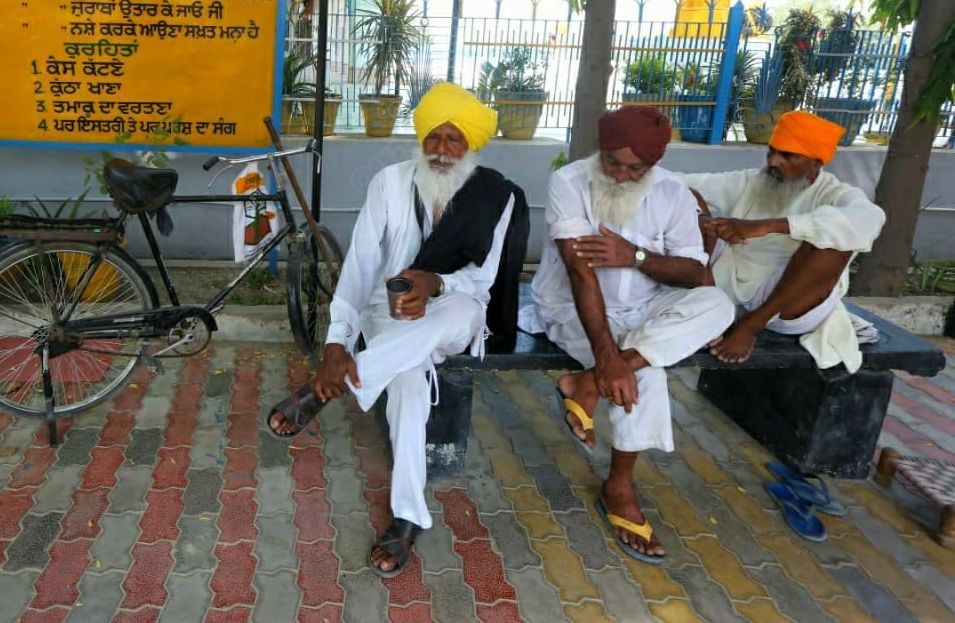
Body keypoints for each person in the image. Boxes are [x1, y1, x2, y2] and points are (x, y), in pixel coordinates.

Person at [263, 83, 528, 578]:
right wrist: (336, 342)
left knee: (450, 316)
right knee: (407, 384)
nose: (443, 149)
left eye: (455, 139)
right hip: (390, 315)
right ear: (421, 137)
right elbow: (361, 267)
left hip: (456, 311)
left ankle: (329, 389)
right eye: (434, 137)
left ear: (470, 145)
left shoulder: (497, 196)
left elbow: (483, 278)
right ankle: (408, 516)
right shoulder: (388, 182)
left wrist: (435, 283)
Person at [522, 106, 734, 564]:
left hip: (647, 308)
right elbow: (581, 274)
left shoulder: (674, 193)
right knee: (648, 374)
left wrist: (634, 256)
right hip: (574, 310)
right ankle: (619, 488)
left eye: (634, 167)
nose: (620, 175)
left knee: (718, 304)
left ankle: (586, 382)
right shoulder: (571, 182)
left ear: (653, 164)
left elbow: (694, 272)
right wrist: (610, 358)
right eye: (612, 162)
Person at [684, 110, 886, 372]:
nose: (774, 162)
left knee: (832, 244)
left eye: (788, 155)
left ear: (816, 162)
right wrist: (705, 221)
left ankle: (750, 326)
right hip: (726, 285)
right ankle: (705, 304)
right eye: (771, 152)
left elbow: (869, 218)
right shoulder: (751, 182)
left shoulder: (836, 193)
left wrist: (768, 227)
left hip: (787, 304)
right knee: (687, 197)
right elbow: (680, 183)